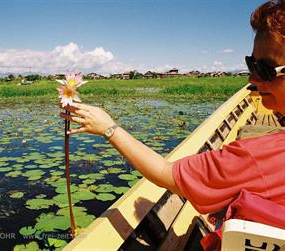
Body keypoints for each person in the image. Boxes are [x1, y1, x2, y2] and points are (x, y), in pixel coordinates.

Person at [60, 0, 285, 244]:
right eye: (251, 64)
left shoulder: (260, 157)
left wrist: (108, 128)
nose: (252, 78)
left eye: (265, 69)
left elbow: (166, 173)